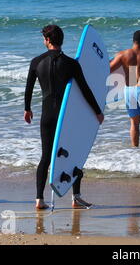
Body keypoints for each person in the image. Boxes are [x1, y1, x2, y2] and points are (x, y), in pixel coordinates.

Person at [24, 25, 104, 209]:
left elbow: (28, 89)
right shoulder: (71, 64)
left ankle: (39, 199)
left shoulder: (36, 62)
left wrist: (27, 109)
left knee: (46, 157)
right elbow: (85, 89)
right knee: (74, 155)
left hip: (47, 116)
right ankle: (76, 197)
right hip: (66, 118)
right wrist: (97, 111)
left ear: (48, 40)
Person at [110, 30, 140, 150]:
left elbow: (108, 69)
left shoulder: (122, 55)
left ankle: (134, 149)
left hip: (129, 90)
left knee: (134, 122)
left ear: (134, 41)